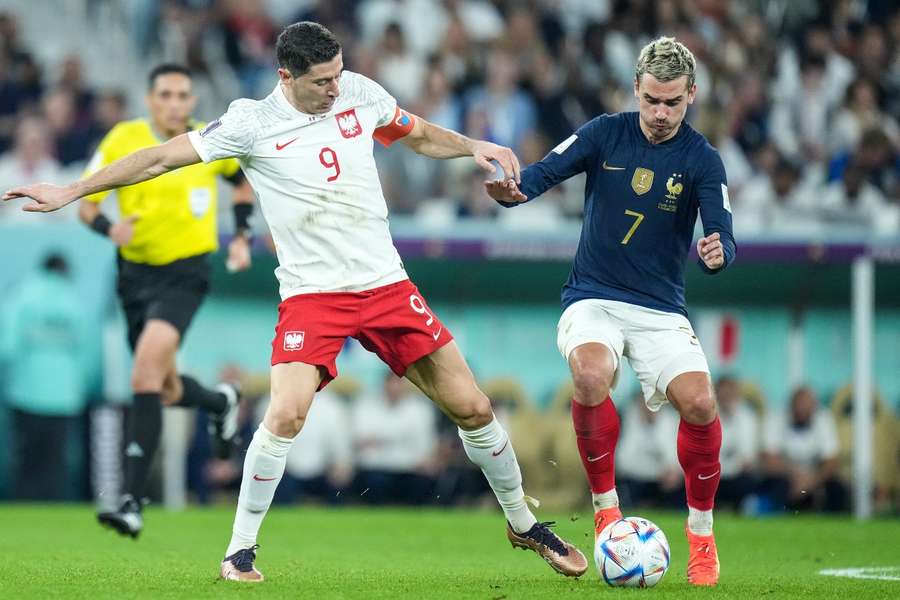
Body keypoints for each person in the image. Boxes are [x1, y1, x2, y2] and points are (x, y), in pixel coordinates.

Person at [3, 22, 587, 582]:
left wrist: (473, 147)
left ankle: (523, 524)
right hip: (313, 296)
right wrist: (74, 189)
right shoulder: (249, 124)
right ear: (286, 76)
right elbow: (157, 159)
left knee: (475, 408)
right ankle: (238, 551)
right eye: (322, 82)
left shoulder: (358, 91)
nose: (336, 88)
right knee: (285, 413)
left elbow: (420, 135)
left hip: (387, 285)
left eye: (338, 75)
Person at [486, 37, 736, 586]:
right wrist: (511, 190)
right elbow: (540, 174)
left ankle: (700, 535)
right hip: (594, 296)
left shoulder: (701, 159)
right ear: (637, 90)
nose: (660, 113)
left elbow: (722, 231)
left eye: (672, 102)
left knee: (699, 402)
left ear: (691, 95)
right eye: (651, 100)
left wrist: (717, 250)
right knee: (592, 373)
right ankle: (606, 507)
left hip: (660, 308)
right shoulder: (604, 132)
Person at [77, 64, 256, 538]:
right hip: (133, 277)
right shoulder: (123, 138)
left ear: (191, 101)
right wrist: (108, 229)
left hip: (186, 273)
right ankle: (220, 401)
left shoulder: (207, 140)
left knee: (143, 375)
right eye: (166, 94)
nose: (176, 103)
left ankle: (133, 502)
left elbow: (241, 181)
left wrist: (240, 234)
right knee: (166, 387)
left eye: (183, 94)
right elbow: (86, 205)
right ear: (150, 99)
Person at [1, 252, 89, 500]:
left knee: (26, 458)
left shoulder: (23, 295)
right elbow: (84, 351)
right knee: (56, 458)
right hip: (64, 396)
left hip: (26, 392)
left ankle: (24, 503)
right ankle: (53, 504)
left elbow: (8, 346)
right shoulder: (74, 300)